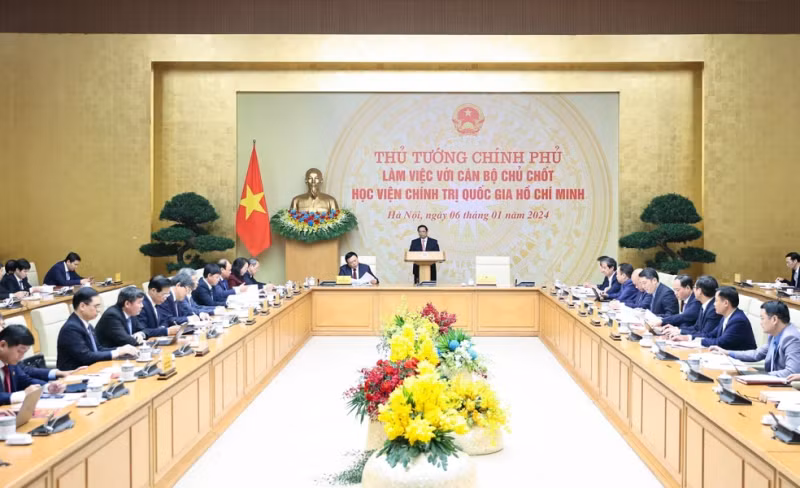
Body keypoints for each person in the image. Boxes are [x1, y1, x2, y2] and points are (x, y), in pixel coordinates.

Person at [56, 288, 139, 371]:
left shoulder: (87, 325)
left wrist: (121, 349)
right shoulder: (71, 328)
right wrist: (117, 352)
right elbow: (86, 357)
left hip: (92, 370)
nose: (99, 310)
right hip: (75, 375)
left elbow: (98, 349)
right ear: (82, 306)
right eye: (96, 306)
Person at [710, 301, 800, 377]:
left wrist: (761, 377)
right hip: (772, 381)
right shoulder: (775, 334)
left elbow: (792, 372)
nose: (760, 323)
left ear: (774, 319)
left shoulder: (791, 338)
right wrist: (727, 352)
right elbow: (756, 354)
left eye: (762, 318)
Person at [0, 315, 85, 381]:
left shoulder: (9, 356)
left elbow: (25, 371)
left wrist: (58, 374)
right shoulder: (8, 351)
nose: (2, 329)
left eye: (3, 325)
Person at [672, 286, 756, 350]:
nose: (714, 304)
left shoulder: (738, 320)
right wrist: (687, 338)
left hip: (743, 363)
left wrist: (695, 341)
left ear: (726, 303)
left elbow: (720, 342)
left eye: (716, 301)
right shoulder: (726, 316)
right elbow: (711, 335)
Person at [0, 324, 67, 405]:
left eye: (24, 353)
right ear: (2, 345)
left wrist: (48, 387)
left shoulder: (11, 363)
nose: (21, 357)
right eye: (19, 351)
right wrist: (23, 394)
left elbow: (26, 381)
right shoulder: (10, 360)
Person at [95, 286, 180, 348]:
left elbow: (145, 330)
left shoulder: (131, 313)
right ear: (127, 304)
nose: (142, 306)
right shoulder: (112, 316)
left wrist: (141, 334)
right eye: (139, 302)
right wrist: (138, 338)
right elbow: (126, 340)